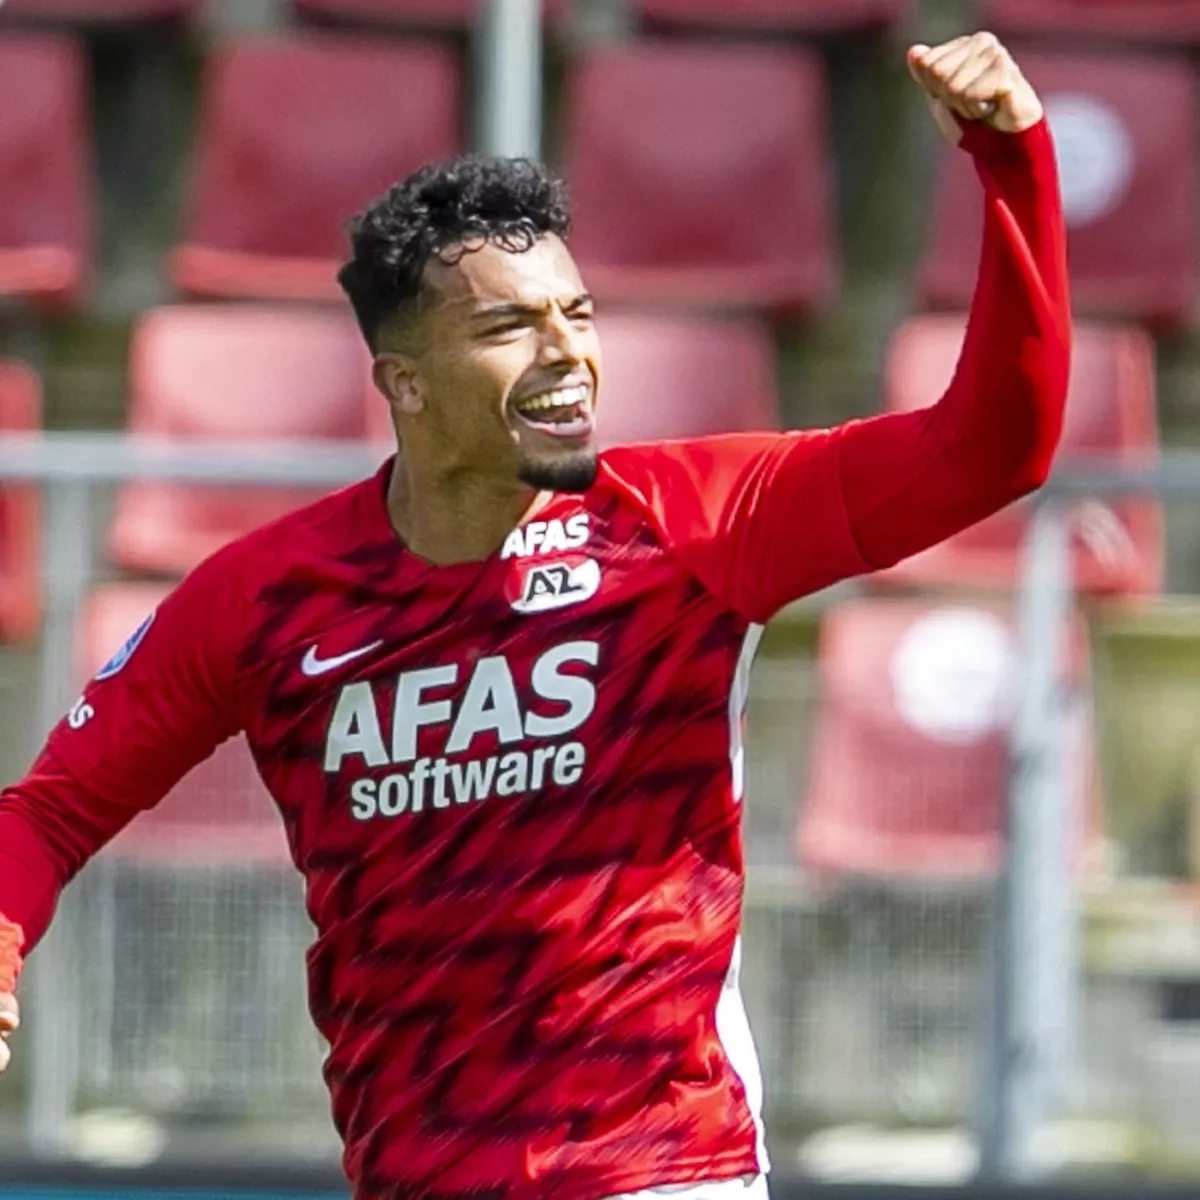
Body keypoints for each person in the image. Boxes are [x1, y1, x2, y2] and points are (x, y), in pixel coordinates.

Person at [0, 32, 1068, 1200]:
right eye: (511, 327)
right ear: (405, 381)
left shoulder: (692, 524)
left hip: (662, 1171)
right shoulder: (263, 599)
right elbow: (49, 815)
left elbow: (992, 449)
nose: (569, 354)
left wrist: (1014, 162)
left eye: (579, 312)